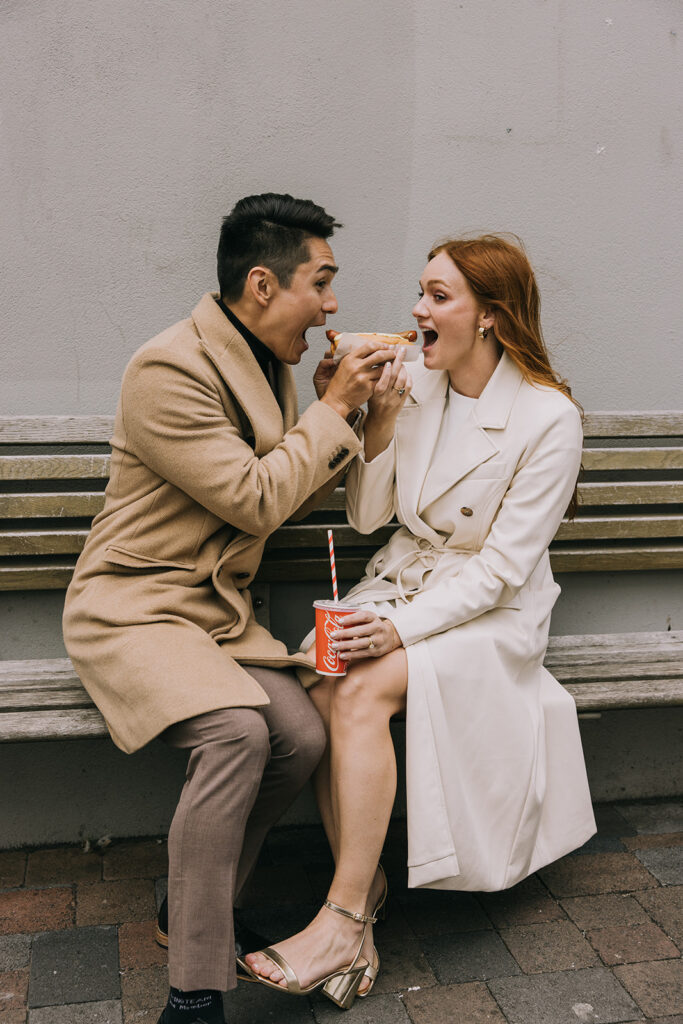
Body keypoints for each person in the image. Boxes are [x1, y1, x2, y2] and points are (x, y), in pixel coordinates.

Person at [62, 193, 397, 1024]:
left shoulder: (266, 367)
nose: (329, 305)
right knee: (238, 731)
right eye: (320, 282)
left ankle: (189, 910)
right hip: (134, 609)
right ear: (260, 283)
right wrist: (326, 413)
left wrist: (337, 409)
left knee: (301, 735)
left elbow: (286, 491)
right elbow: (252, 499)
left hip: (210, 619)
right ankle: (195, 991)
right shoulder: (168, 367)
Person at [242, 234, 597, 1009]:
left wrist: (398, 632)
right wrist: (378, 419)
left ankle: (336, 920)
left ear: (492, 318)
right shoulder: (417, 384)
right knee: (328, 679)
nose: (415, 310)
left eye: (438, 297)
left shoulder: (547, 418)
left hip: (491, 613)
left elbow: (503, 571)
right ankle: (361, 900)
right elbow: (373, 519)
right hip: (400, 582)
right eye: (419, 291)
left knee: (362, 690)